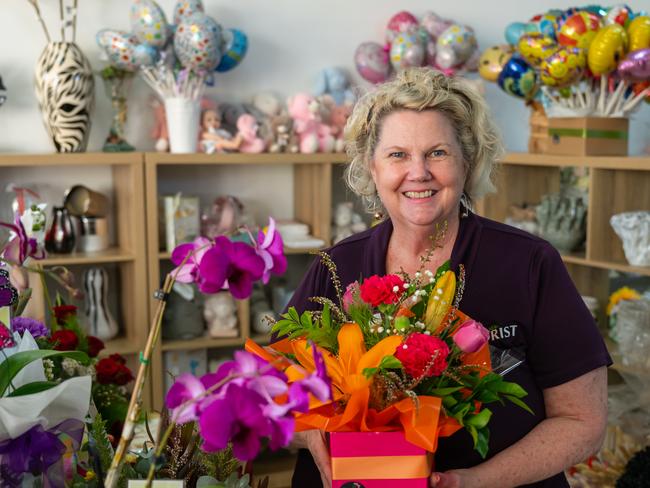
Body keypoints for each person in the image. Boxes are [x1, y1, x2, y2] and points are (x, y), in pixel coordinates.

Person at [285, 67, 611, 488]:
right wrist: (316, 435)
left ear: (467, 161)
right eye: (398, 154)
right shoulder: (336, 266)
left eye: (437, 153)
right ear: (373, 167)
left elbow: (583, 420)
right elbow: (270, 396)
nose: (418, 172)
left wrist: (473, 482)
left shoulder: (528, 263)